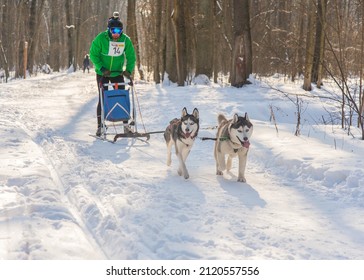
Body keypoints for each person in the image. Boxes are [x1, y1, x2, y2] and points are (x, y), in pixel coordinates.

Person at [89, 11, 136, 136]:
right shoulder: (101, 38)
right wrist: (101, 68)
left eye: (119, 31)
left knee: (121, 96)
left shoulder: (125, 40)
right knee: (102, 98)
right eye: (114, 31)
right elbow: (93, 54)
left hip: (117, 73)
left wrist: (128, 70)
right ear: (109, 30)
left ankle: (126, 125)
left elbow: (131, 57)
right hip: (103, 73)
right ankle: (100, 126)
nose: (116, 34)